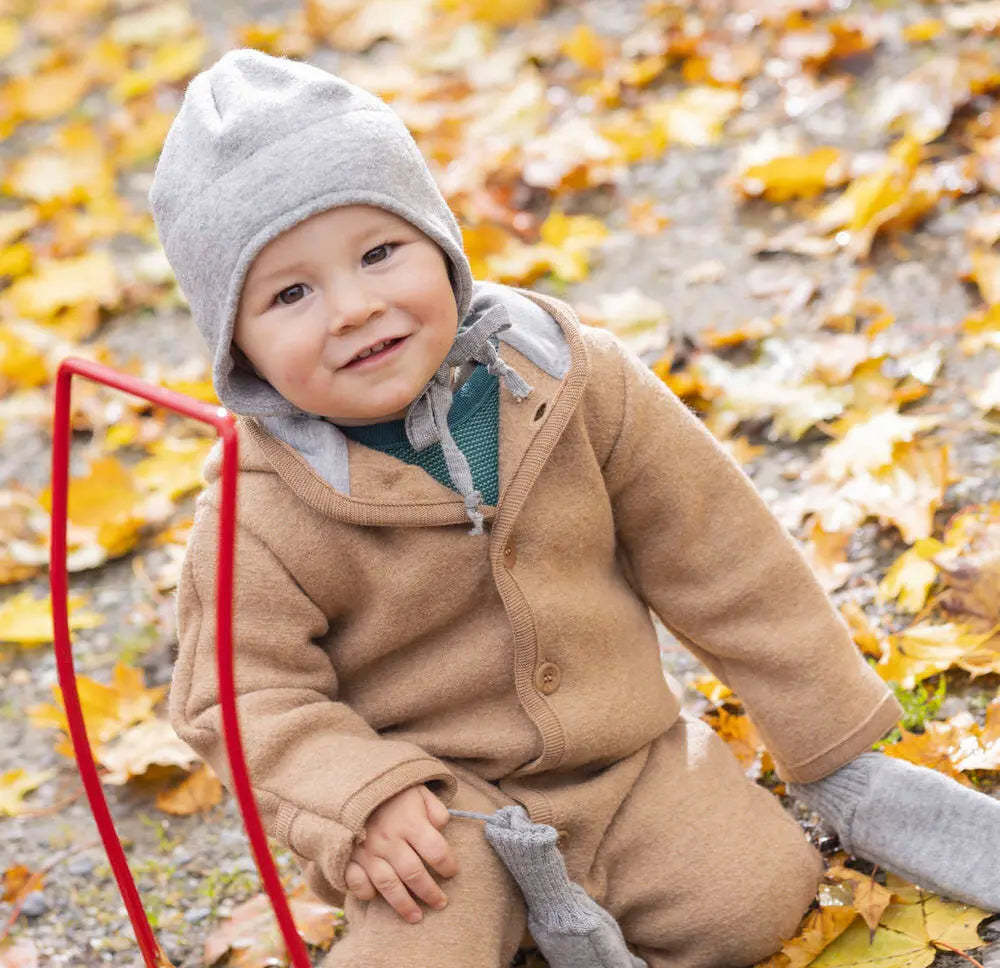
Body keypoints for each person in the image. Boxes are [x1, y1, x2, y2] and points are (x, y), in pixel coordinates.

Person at [150, 48, 1000, 968]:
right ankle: (513, 917)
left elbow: (723, 555)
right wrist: (361, 795)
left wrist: (834, 746)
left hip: (623, 767)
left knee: (756, 896)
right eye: (290, 293)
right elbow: (240, 696)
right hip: (438, 815)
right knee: (425, 947)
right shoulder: (256, 508)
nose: (353, 308)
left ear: (439, 241)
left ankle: (574, 918)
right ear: (236, 348)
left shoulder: (566, 380)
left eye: (379, 251)